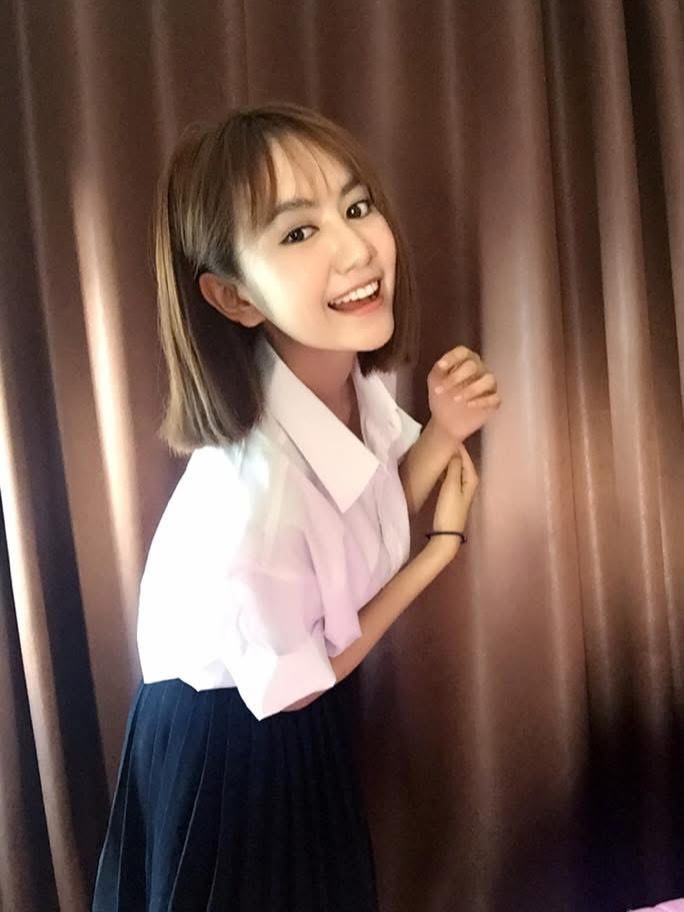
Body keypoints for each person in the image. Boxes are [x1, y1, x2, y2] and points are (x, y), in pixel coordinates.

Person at [92, 100, 490, 912]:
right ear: (234, 297)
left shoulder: (348, 384)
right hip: (226, 743)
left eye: (357, 207)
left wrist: (445, 431)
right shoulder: (251, 502)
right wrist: (440, 552)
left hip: (287, 711)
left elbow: (368, 508)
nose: (357, 248)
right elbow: (298, 682)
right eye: (299, 231)